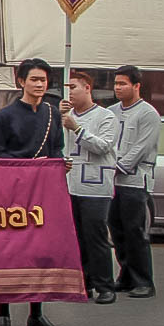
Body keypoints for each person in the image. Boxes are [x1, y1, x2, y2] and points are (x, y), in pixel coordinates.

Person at [0, 57, 65, 326]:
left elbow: (57, 148)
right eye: (34, 79)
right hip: (14, 191)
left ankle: (37, 312)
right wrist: (28, 164)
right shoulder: (6, 115)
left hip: (44, 192)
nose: (39, 84)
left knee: (40, 252)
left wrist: (58, 163)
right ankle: (4, 311)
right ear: (21, 81)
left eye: (43, 80)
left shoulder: (52, 113)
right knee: (10, 251)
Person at [62, 70, 118, 304]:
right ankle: (84, 282)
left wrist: (77, 128)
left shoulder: (106, 117)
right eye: (67, 88)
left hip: (95, 186)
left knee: (96, 235)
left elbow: (103, 146)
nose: (70, 93)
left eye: (74, 87)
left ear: (87, 88)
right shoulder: (64, 117)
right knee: (77, 237)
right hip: (70, 184)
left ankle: (106, 284)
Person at [108, 65, 159, 298]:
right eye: (116, 83)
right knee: (117, 230)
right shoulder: (111, 112)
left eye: (123, 83)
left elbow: (141, 147)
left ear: (136, 86)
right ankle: (126, 275)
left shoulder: (148, 113)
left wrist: (118, 166)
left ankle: (144, 281)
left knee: (135, 230)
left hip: (135, 181)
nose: (118, 88)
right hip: (111, 182)